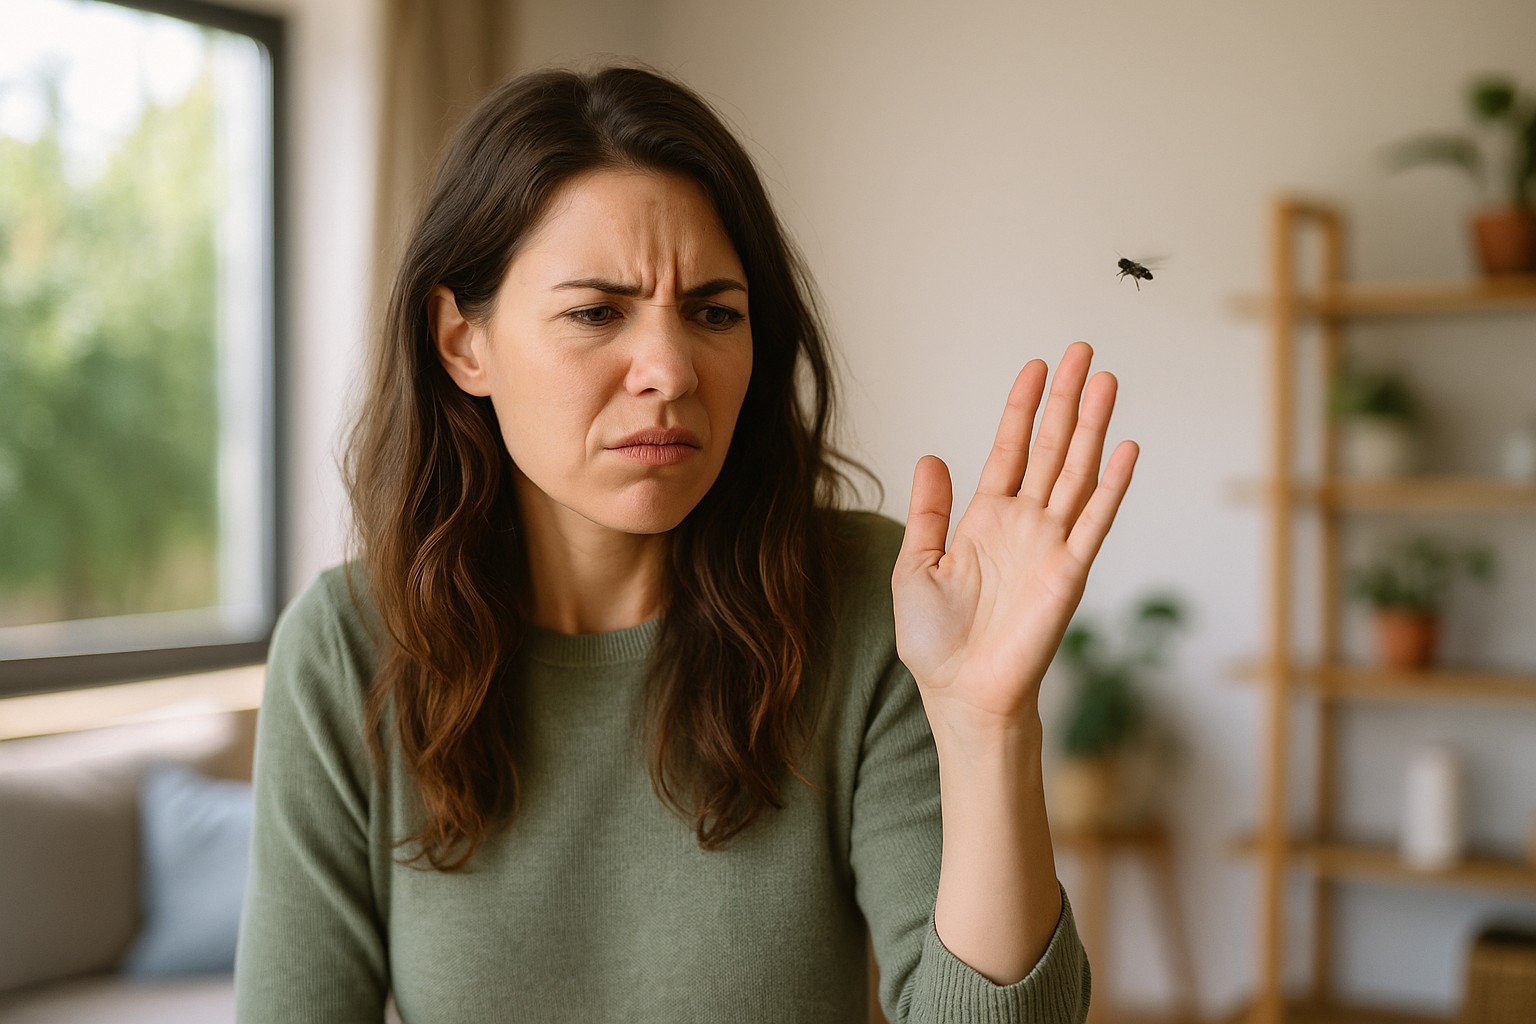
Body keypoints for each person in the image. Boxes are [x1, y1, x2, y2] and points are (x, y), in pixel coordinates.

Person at [235, 65, 1138, 1024]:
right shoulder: (345, 649)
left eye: (714, 313)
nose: (669, 370)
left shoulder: (879, 604)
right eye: (596, 312)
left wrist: (986, 726)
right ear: (464, 342)